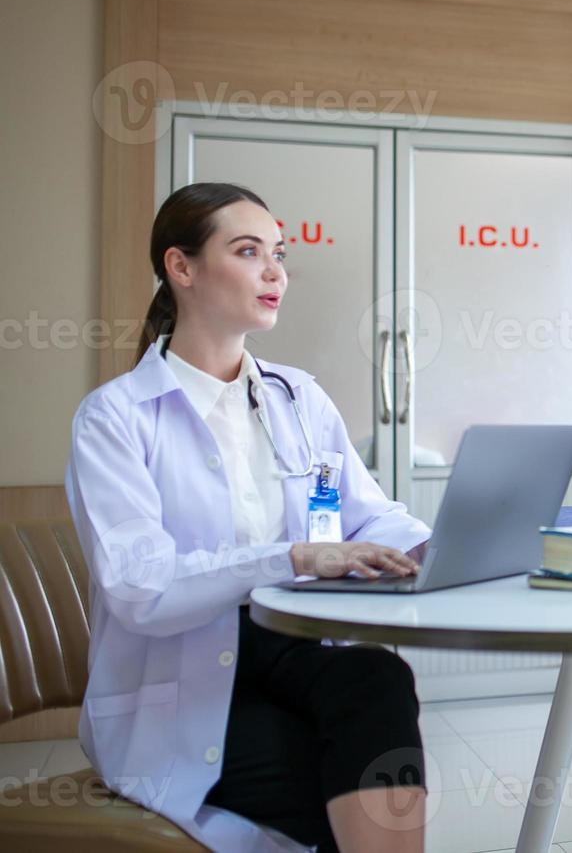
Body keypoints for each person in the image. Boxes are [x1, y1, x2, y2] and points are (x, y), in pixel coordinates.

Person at [66, 183, 431, 852]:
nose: (274, 272)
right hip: (176, 687)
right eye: (247, 251)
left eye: (279, 254)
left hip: (288, 644)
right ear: (182, 268)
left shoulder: (299, 397)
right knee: (330, 770)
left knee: (377, 678)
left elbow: (368, 515)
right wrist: (293, 557)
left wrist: (436, 547)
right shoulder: (114, 418)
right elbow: (140, 589)